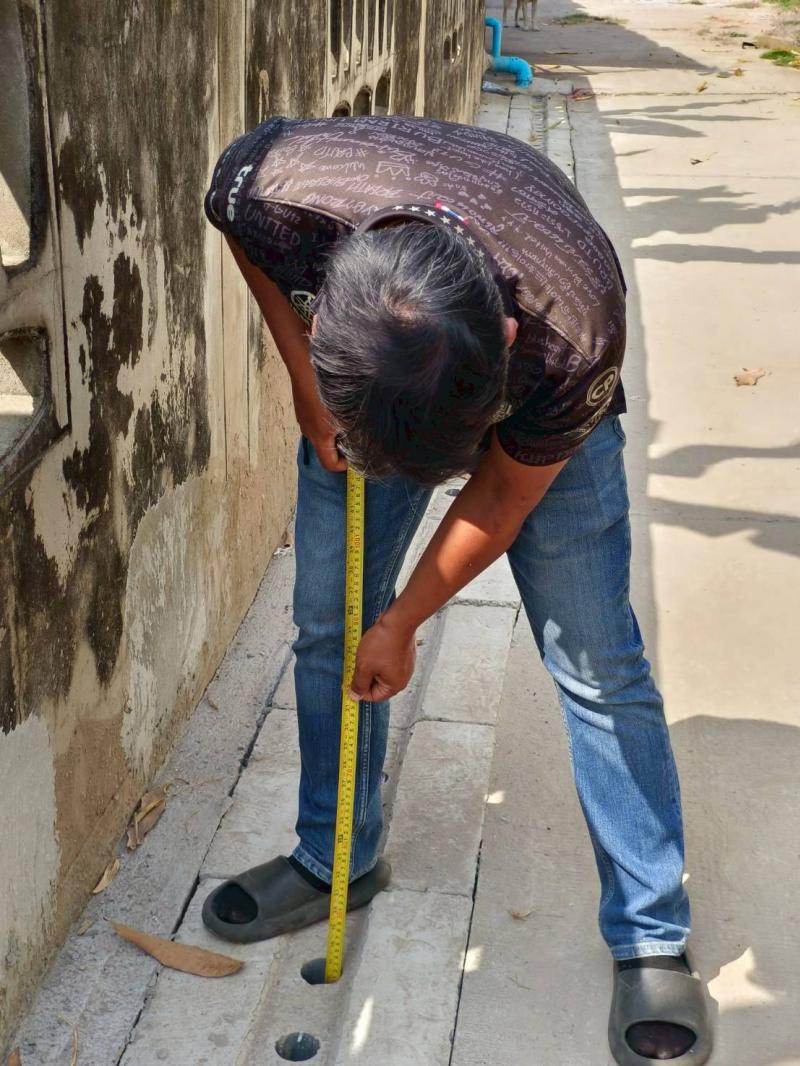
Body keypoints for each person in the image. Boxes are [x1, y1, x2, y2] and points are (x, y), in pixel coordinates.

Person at [199, 114, 711, 1065]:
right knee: (327, 628)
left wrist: (401, 622)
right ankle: (334, 857)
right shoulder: (274, 192)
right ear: (329, 308)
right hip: (366, 385)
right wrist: (309, 385)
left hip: (536, 403)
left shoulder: (571, 330)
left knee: (598, 666)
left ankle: (650, 931)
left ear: (504, 340)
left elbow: (502, 499)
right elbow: (235, 227)